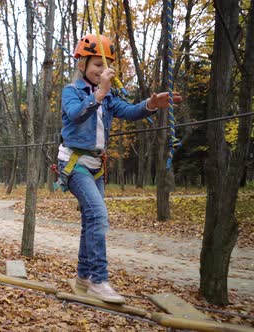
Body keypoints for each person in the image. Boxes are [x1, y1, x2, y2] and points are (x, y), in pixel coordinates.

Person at [59, 34, 182, 303]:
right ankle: (98, 280)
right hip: (74, 164)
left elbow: (128, 111)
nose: (102, 72)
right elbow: (76, 114)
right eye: (96, 66)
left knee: (90, 220)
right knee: (99, 216)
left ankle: (83, 276)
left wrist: (151, 105)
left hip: (95, 166)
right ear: (82, 65)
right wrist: (100, 93)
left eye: (106, 67)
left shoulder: (110, 96)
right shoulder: (71, 91)